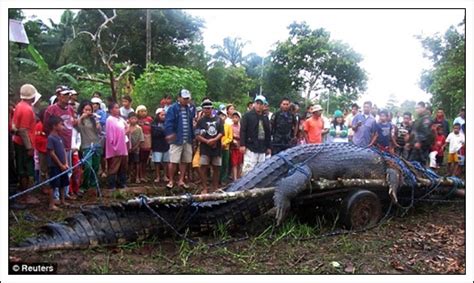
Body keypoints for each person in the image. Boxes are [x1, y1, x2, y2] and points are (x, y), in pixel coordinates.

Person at [44, 85, 77, 200]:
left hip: (67, 143)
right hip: (55, 143)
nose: (67, 97)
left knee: (67, 169)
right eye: (65, 95)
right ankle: (55, 197)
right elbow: (46, 126)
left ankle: (65, 194)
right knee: (56, 170)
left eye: (68, 94)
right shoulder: (51, 109)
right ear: (58, 96)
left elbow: (73, 123)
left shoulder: (70, 109)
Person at [12, 84, 42, 204]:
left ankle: (24, 194)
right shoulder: (27, 109)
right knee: (25, 170)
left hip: (19, 142)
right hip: (24, 144)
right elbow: (23, 130)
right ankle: (25, 196)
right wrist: (29, 147)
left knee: (22, 168)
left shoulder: (19, 105)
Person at [164, 89, 195, 189]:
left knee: (184, 161)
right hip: (176, 139)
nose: (186, 100)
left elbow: (191, 123)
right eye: (184, 98)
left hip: (187, 138)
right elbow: (168, 123)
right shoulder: (173, 108)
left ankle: (181, 180)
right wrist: (170, 134)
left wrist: (192, 137)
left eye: (187, 99)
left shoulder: (189, 109)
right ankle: (171, 180)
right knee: (173, 161)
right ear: (179, 98)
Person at [195, 99, 224, 193]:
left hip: (216, 147)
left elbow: (221, 132)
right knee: (203, 167)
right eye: (205, 108)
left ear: (212, 109)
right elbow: (197, 135)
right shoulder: (200, 121)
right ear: (202, 109)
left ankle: (215, 187)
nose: (207, 110)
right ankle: (205, 187)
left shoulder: (219, 119)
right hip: (205, 147)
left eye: (209, 108)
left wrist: (214, 140)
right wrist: (207, 141)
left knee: (216, 168)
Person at [240, 95, 271, 175]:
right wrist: (242, 144)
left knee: (260, 171)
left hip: (262, 147)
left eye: (261, 104)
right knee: (248, 170)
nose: (259, 105)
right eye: (257, 103)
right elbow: (243, 130)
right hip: (250, 146)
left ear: (264, 105)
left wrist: (268, 147)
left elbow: (268, 133)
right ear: (254, 104)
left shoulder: (265, 117)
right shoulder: (247, 116)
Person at [76, 100, 102, 194]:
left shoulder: (94, 119)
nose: (88, 112)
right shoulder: (80, 119)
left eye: (90, 110)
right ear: (82, 110)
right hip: (86, 145)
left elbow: (99, 131)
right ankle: (84, 185)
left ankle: (93, 185)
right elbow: (76, 126)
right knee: (88, 166)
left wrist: (97, 122)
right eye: (86, 109)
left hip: (96, 144)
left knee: (95, 166)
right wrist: (83, 117)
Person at [46, 115, 70, 210]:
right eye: (61, 124)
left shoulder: (60, 138)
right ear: (54, 126)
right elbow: (51, 153)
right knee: (53, 184)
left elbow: (63, 150)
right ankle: (51, 204)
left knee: (63, 183)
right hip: (54, 166)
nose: (63, 126)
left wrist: (66, 163)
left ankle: (62, 200)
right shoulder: (51, 138)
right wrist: (60, 164)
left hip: (63, 165)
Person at [105, 102, 129, 190]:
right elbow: (110, 134)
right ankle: (111, 184)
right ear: (111, 110)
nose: (118, 109)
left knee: (123, 165)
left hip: (123, 145)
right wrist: (113, 145)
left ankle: (121, 183)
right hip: (115, 147)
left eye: (118, 108)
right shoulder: (110, 120)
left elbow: (127, 128)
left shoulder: (120, 119)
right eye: (115, 108)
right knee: (114, 166)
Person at [151, 108, 170, 184]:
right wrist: (163, 131)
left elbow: (169, 132)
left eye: (165, 115)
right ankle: (157, 176)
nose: (163, 116)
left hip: (166, 144)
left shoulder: (168, 123)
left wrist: (162, 131)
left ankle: (165, 176)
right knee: (157, 162)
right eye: (162, 115)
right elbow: (155, 133)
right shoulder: (154, 123)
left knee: (165, 161)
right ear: (158, 115)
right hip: (157, 145)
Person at [136, 105, 153, 182]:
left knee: (145, 159)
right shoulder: (136, 120)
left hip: (148, 140)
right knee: (139, 159)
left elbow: (152, 128)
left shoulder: (149, 119)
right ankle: (138, 176)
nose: (143, 113)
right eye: (141, 111)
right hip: (140, 141)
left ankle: (144, 175)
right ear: (138, 112)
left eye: (145, 111)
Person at [34, 108, 49, 194]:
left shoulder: (48, 125)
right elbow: (38, 139)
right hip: (42, 150)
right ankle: (43, 186)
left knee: (48, 169)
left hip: (49, 150)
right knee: (43, 170)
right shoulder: (39, 125)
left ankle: (48, 185)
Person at [127, 112, 144, 184]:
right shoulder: (126, 127)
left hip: (136, 149)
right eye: (132, 119)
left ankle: (137, 177)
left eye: (135, 118)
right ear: (129, 119)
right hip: (128, 149)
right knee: (129, 163)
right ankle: (130, 176)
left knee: (137, 162)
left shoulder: (139, 128)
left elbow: (141, 140)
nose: (133, 120)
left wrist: (135, 147)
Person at [218, 109, 233, 185]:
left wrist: (225, 143)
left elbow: (230, 137)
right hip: (218, 147)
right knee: (218, 164)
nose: (221, 117)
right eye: (220, 115)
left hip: (226, 147)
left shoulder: (228, 126)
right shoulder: (217, 125)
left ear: (225, 116)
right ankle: (217, 179)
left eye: (223, 115)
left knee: (225, 163)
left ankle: (223, 179)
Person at [230, 112, 243, 181]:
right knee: (234, 163)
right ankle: (234, 178)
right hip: (233, 147)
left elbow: (242, 135)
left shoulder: (241, 127)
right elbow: (230, 136)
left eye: (236, 117)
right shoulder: (230, 127)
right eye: (233, 117)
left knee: (240, 163)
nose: (235, 119)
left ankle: (239, 176)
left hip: (240, 147)